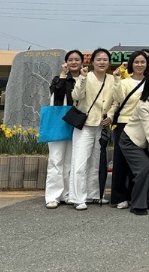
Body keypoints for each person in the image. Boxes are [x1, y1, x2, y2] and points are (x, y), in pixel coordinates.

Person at [70, 48, 121, 210]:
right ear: (92, 62)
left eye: (105, 59)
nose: (102, 62)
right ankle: (78, 198)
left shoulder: (112, 79)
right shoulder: (86, 76)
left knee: (97, 162)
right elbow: (76, 96)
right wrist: (82, 79)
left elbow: (117, 101)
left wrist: (111, 115)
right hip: (85, 125)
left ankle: (94, 194)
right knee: (80, 161)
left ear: (109, 62)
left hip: (102, 126)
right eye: (98, 59)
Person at [119, 74, 149, 216]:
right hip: (130, 140)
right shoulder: (143, 105)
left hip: (145, 142)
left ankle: (146, 200)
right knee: (145, 168)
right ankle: (137, 205)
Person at [106, 51, 149, 209]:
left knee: (138, 162)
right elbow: (119, 99)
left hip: (144, 125)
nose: (139, 65)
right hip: (125, 123)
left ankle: (134, 194)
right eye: (136, 62)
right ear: (131, 64)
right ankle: (119, 197)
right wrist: (117, 80)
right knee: (120, 161)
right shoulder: (125, 82)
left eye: (142, 62)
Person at [45, 49, 83, 209]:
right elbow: (57, 94)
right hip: (59, 122)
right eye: (70, 59)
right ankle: (53, 196)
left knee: (71, 161)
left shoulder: (86, 78)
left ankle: (67, 194)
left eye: (77, 59)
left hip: (78, 122)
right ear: (66, 62)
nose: (74, 62)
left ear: (82, 62)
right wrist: (62, 75)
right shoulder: (58, 78)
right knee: (56, 159)